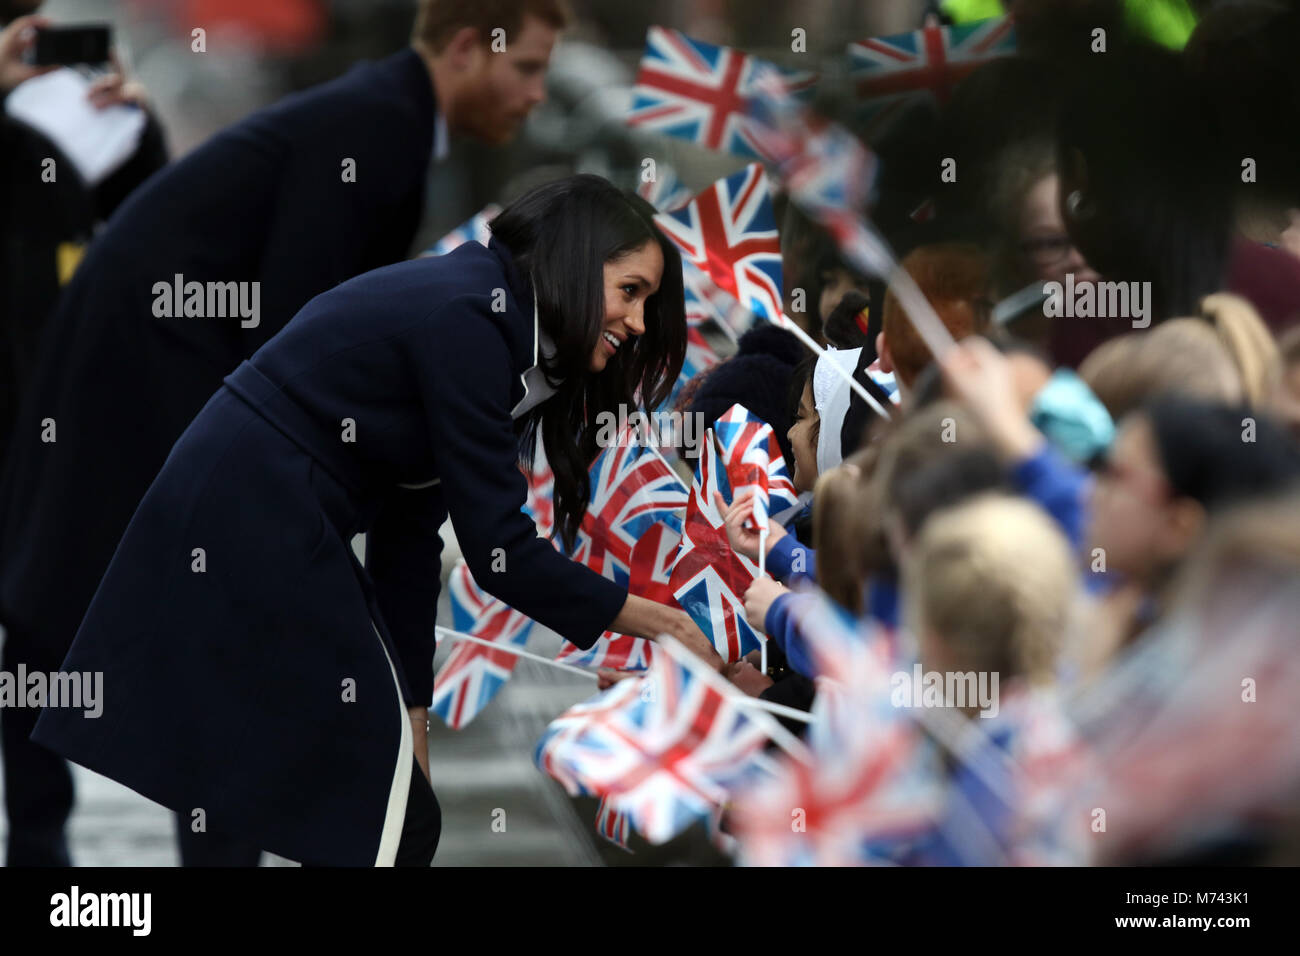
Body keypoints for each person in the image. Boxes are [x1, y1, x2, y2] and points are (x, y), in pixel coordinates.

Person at [0, 0, 564, 868]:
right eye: (526, 67)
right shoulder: (381, 129)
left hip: (154, 351)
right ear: (463, 49)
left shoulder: (388, 118)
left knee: (100, 602)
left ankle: (130, 848)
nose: (535, 95)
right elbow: (302, 325)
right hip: (148, 361)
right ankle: (82, 850)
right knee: (124, 610)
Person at [32, 174, 716, 867]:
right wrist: (666, 623)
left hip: (254, 513)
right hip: (254, 518)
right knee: (383, 823)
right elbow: (500, 550)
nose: (636, 324)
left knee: (263, 786)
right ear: (573, 259)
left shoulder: (490, 318)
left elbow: (409, 538)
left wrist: (413, 716)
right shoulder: (471, 320)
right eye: (630, 291)